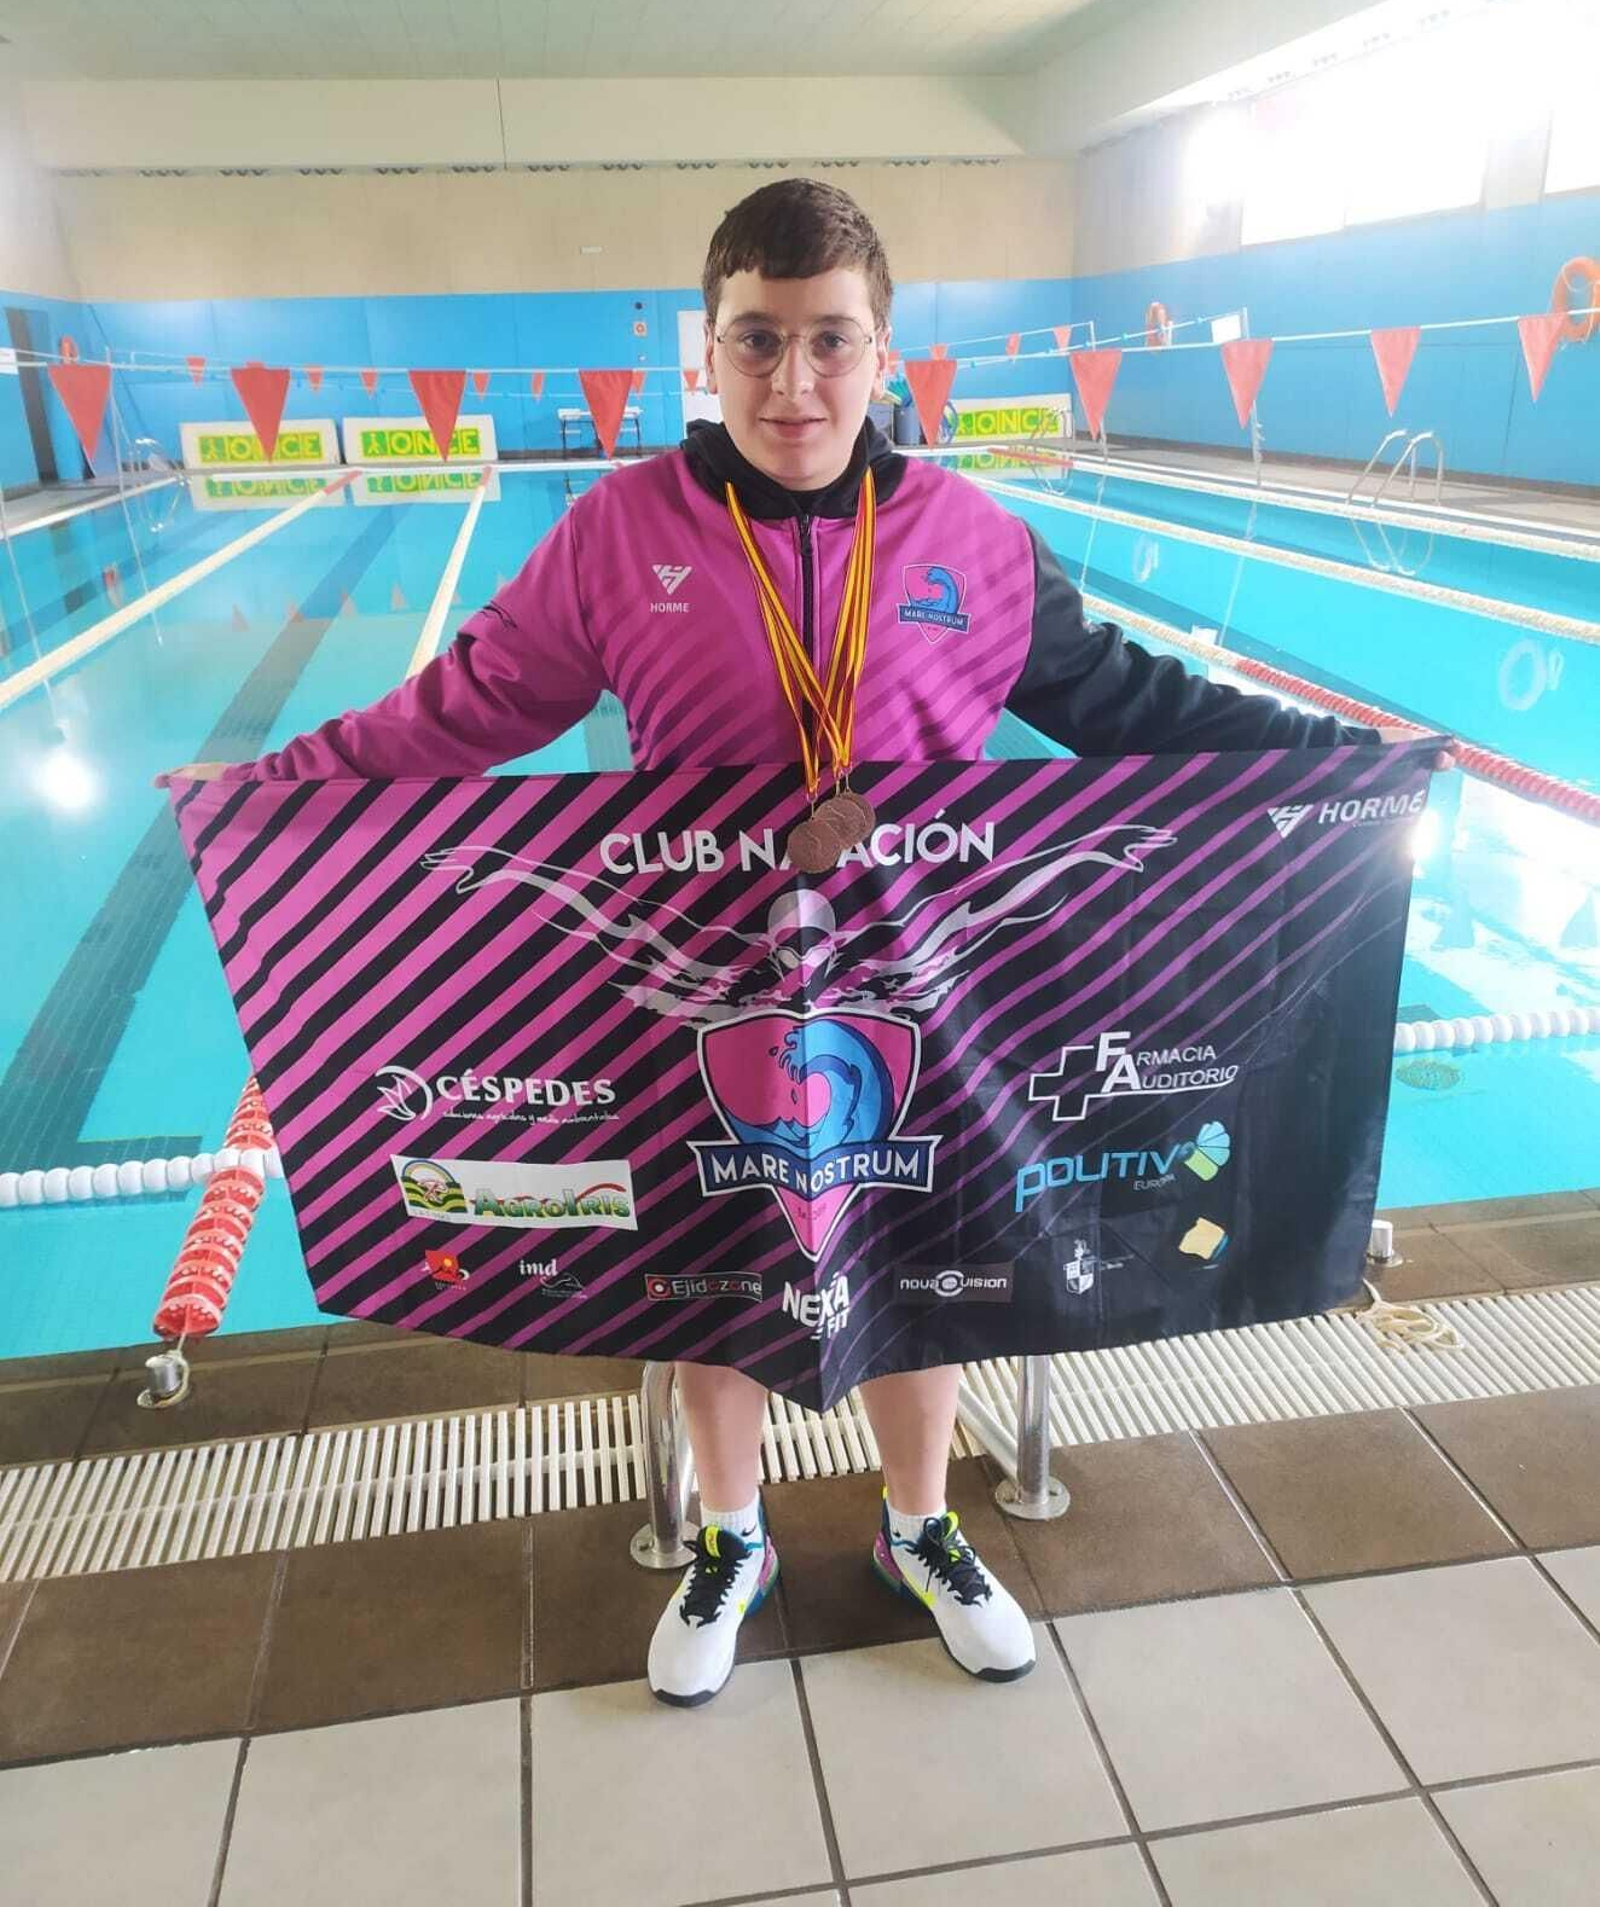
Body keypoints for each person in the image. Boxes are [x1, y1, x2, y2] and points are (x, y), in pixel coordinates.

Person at [163, 177, 1439, 1709]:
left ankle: (919, 1528)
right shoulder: (617, 533)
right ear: (703, 352)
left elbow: (1136, 708)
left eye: (830, 342)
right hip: (706, 995)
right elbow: (465, 712)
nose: (793, 382)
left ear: (884, 351)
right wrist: (276, 789)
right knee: (711, 1262)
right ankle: (730, 1537)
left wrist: (1345, 755)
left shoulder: (968, 535)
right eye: (756, 342)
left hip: (933, 996)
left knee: (936, 1252)